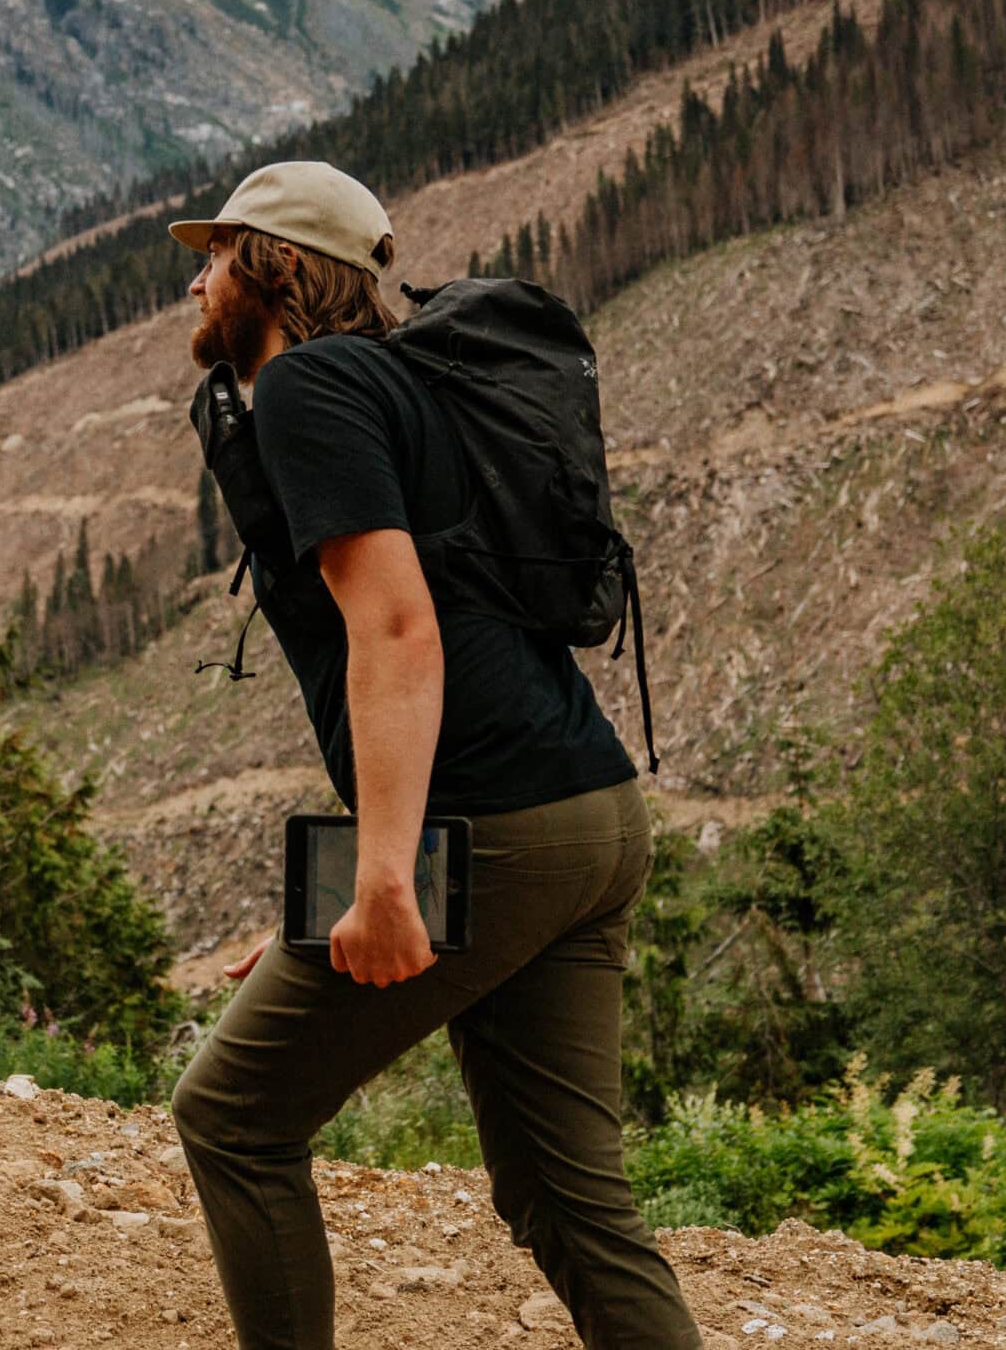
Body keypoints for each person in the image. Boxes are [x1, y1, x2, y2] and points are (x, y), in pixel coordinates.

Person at [165, 161, 702, 1350]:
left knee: (233, 1120)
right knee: (569, 1196)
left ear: (276, 265)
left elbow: (397, 632)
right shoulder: (395, 385)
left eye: (212, 256)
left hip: (493, 832)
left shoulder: (308, 389)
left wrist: (388, 877)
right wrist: (362, 870)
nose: (193, 282)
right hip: (588, 812)